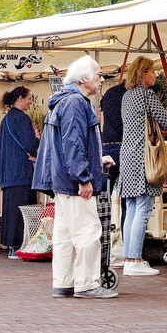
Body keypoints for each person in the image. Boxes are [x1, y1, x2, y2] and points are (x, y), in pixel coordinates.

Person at [33, 55, 118, 298]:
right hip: (72, 182)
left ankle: (64, 282)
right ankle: (87, 284)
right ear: (84, 78)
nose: (102, 79)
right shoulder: (76, 103)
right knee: (88, 232)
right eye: (99, 74)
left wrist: (94, 161)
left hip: (61, 180)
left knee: (65, 236)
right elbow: (72, 143)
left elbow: (66, 145)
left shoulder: (64, 102)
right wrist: (83, 177)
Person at [118, 56, 167, 276]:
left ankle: (128, 258)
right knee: (143, 207)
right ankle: (134, 260)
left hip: (128, 155)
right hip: (144, 157)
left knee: (132, 208)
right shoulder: (146, 95)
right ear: (142, 73)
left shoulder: (126, 97)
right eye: (152, 71)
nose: (155, 75)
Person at [0, 85, 39, 257]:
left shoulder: (5, 119)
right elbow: (30, 145)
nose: (30, 102)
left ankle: (11, 246)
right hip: (21, 172)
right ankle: (20, 246)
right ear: (20, 98)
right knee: (24, 210)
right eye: (29, 98)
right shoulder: (22, 119)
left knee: (10, 210)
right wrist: (36, 139)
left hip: (8, 172)